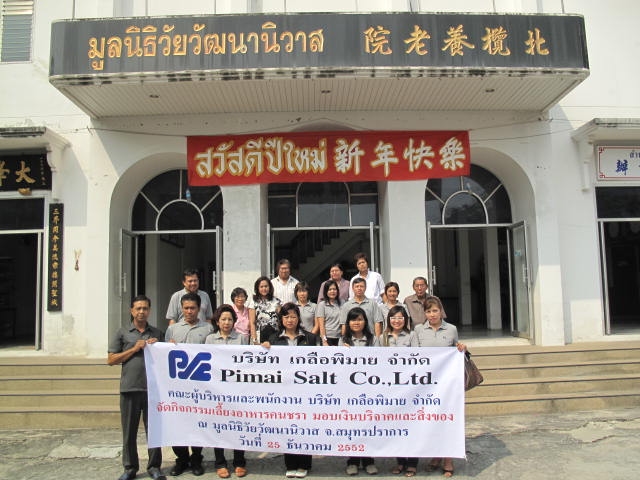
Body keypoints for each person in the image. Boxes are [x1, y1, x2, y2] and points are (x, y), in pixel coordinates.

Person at [108, 295, 166, 480]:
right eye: (138, 308)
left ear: (149, 311)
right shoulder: (123, 332)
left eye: (145, 308)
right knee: (129, 431)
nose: (142, 312)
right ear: (131, 311)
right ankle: (130, 468)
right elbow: (111, 359)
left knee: (154, 431)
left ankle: (154, 466)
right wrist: (134, 349)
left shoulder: (157, 333)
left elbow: (166, 358)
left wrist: (163, 346)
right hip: (130, 388)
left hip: (152, 390)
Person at [262, 303, 319, 478]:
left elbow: (320, 362)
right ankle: (291, 463)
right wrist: (264, 348)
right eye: (286, 317)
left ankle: (304, 464)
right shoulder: (274, 339)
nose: (290, 320)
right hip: (284, 391)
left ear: (298, 318)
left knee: (305, 427)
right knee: (288, 427)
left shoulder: (310, 338)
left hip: (305, 390)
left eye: (293, 316)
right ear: (281, 319)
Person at [414, 295, 466, 478]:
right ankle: (436, 455)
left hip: (447, 385)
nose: (432, 314)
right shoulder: (418, 330)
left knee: (447, 421)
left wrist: (461, 348)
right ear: (425, 313)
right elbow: (414, 357)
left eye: (435, 310)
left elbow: (456, 351)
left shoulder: (451, 329)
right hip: (426, 386)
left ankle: (448, 460)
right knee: (430, 422)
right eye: (428, 311)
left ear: (441, 311)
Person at [165, 292, 214, 477]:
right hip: (178, 388)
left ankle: (196, 459)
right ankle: (181, 459)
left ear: (199, 309)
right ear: (181, 309)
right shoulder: (172, 330)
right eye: (186, 308)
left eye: (192, 308)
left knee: (197, 425)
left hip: (199, 387)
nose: (189, 311)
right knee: (177, 424)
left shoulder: (208, 329)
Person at [205, 305, 249, 478]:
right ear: (217, 321)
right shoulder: (210, 339)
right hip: (217, 390)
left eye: (230, 319)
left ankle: (239, 462)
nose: (226, 322)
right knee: (219, 427)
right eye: (223, 319)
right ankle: (220, 462)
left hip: (236, 389)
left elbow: (246, 363)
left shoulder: (241, 338)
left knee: (238, 426)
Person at [378, 305, 418, 477]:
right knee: (396, 426)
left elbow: (418, 358)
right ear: (389, 320)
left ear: (405, 320)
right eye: (393, 318)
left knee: (411, 426)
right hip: (391, 389)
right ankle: (400, 461)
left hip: (409, 387)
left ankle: (413, 463)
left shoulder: (412, 335)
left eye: (400, 318)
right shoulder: (383, 337)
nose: (397, 321)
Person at [339, 307, 379, 476]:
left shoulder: (373, 339)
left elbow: (379, 362)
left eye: (360, 319)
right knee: (353, 426)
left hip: (369, 389)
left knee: (368, 425)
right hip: (350, 391)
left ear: (365, 321)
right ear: (348, 322)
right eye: (353, 320)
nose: (357, 323)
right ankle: (353, 461)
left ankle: (369, 460)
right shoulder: (343, 340)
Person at [249, 275, 281, 344]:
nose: (264, 288)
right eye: (261, 287)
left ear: (270, 287)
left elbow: (280, 321)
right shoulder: (254, 301)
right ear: (257, 288)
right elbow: (252, 322)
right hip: (259, 336)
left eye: (266, 286)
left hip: (274, 335)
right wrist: (254, 339)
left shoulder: (276, 301)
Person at [316, 279, 342, 346]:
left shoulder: (342, 302)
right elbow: (321, 325)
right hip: (327, 338)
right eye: (330, 289)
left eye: (334, 289)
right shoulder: (322, 305)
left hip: (340, 338)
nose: (332, 291)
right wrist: (324, 341)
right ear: (326, 291)